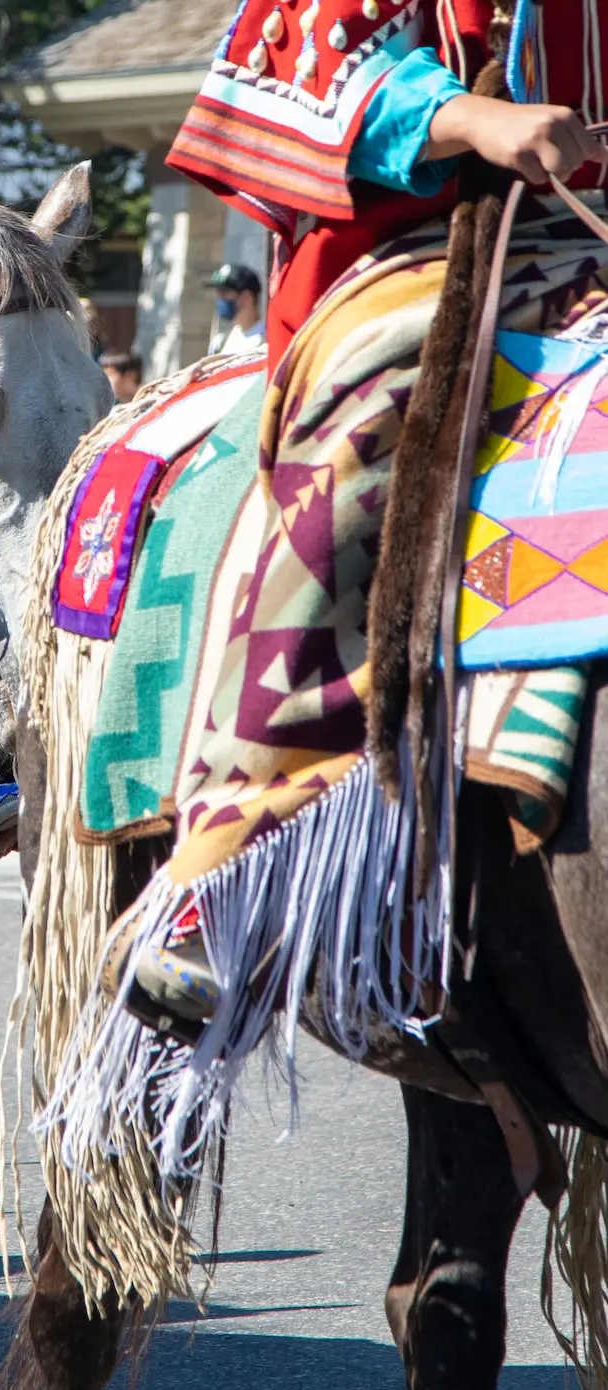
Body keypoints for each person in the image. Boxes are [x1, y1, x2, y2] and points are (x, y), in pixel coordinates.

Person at [112, 1, 608, 1033]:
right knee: (367, 420)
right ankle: (220, 863)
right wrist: (475, 119)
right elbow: (298, 54)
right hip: (458, 232)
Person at [206, 263, 264, 355]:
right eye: (218, 292)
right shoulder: (219, 344)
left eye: (225, 291)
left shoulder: (268, 342)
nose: (219, 297)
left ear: (247, 297)